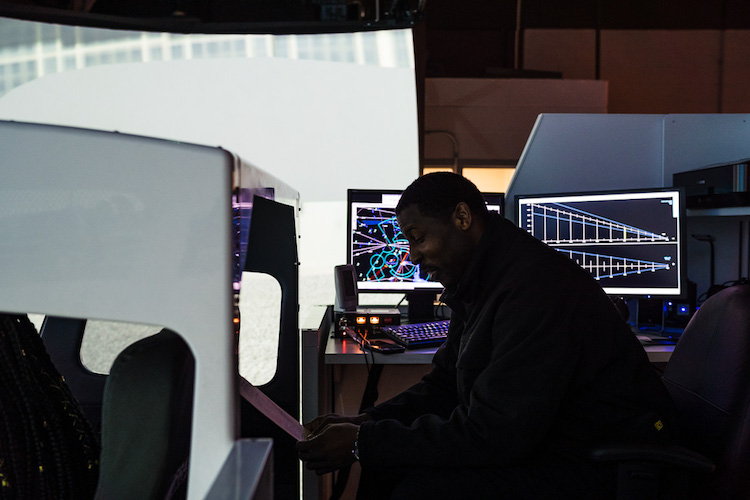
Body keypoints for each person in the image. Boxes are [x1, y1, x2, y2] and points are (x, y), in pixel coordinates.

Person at [297, 172, 677, 499]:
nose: (412, 255)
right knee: (388, 466)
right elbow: (445, 386)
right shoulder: (485, 280)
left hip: (597, 459)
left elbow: (495, 432)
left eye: (417, 237)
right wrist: (364, 423)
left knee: (417, 490)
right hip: (548, 440)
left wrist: (364, 443)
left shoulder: (536, 288)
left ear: (462, 217)